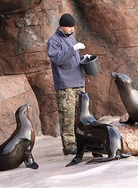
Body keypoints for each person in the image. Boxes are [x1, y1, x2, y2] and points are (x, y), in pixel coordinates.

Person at [47, 13, 89, 155]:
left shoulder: (72, 39)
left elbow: (73, 58)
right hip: (65, 86)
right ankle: (69, 146)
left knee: (80, 116)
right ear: (62, 26)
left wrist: (83, 57)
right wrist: (74, 49)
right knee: (67, 117)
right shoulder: (54, 41)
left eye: (73, 27)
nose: (72, 29)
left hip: (79, 82)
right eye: (69, 27)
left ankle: (81, 142)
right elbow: (57, 58)